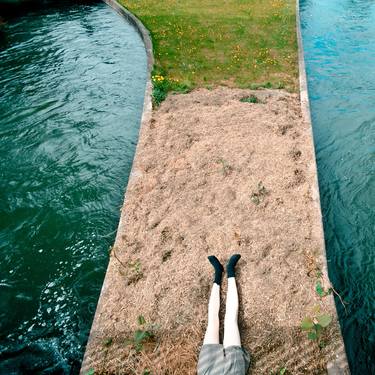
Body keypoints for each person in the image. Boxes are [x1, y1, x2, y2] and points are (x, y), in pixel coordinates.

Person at [197, 254, 250, 375]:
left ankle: (218, 274)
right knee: (231, 321)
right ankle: (231, 271)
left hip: (208, 370)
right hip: (234, 371)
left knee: (212, 322)